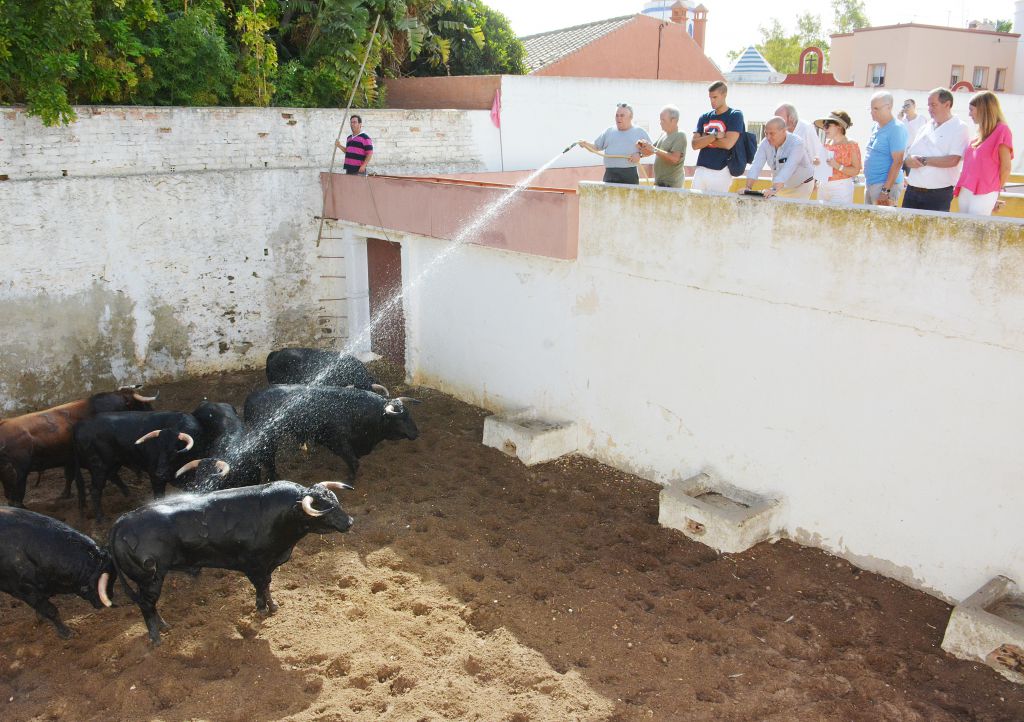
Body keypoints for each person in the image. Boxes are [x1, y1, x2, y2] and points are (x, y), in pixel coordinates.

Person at [902, 88, 971, 212]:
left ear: (947, 104)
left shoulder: (959, 127)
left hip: (938, 195)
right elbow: (909, 154)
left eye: (933, 105)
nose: (929, 109)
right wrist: (908, 161)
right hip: (912, 191)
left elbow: (953, 160)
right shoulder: (925, 126)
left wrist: (923, 161)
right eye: (929, 105)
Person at [955, 91, 1014, 216]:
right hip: (966, 190)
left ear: (983, 109)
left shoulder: (1002, 130)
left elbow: (1006, 167)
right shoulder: (980, 133)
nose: (969, 114)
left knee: (975, 231)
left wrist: (995, 194)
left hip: (984, 192)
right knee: (963, 230)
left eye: (971, 110)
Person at [740, 116, 814, 199]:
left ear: (783, 131)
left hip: (801, 185)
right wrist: (748, 188)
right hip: (780, 186)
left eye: (772, 133)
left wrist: (773, 189)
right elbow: (756, 165)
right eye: (766, 133)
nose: (768, 137)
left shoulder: (797, 143)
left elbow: (790, 166)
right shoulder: (765, 143)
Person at [691, 81, 745, 193]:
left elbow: (728, 144)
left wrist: (705, 138)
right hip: (701, 169)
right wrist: (715, 136)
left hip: (721, 170)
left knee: (716, 208)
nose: (712, 101)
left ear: (724, 94)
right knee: (694, 206)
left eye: (715, 97)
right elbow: (694, 144)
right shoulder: (704, 117)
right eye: (710, 97)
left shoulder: (735, 115)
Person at [577, 103, 649, 184]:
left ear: (631, 117)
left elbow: (651, 150)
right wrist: (585, 144)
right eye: (617, 115)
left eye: (622, 115)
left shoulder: (639, 132)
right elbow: (596, 147)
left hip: (629, 174)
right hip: (610, 173)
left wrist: (640, 155)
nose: (618, 118)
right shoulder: (609, 131)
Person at [863, 91, 908, 206]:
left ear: (888, 107)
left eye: (876, 109)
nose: (872, 112)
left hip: (884, 186)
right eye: (871, 108)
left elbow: (898, 161)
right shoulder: (876, 126)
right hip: (871, 183)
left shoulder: (896, 128)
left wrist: (885, 190)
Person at [813, 111, 861, 204]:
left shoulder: (851, 144)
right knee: (822, 217)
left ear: (839, 126)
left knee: (839, 217)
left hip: (841, 187)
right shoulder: (826, 144)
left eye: (827, 125)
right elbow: (822, 168)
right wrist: (817, 164)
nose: (824, 128)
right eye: (824, 126)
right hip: (823, 185)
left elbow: (856, 170)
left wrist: (838, 166)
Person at [637, 105, 687, 188]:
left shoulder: (680, 135)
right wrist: (641, 146)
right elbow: (650, 151)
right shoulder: (663, 134)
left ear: (674, 120)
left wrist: (653, 149)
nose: (660, 123)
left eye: (663, 120)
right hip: (659, 184)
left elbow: (675, 159)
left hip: (671, 186)